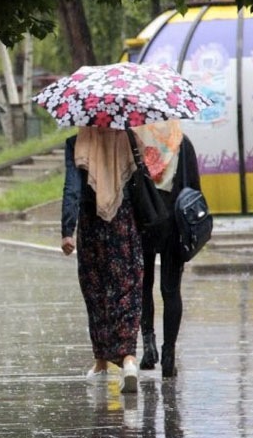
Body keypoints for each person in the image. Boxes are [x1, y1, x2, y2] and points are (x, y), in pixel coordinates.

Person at [61, 126, 142, 393]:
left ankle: (101, 363)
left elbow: (71, 188)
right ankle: (129, 359)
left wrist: (67, 230)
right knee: (127, 289)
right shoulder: (128, 139)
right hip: (124, 222)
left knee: (96, 292)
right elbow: (143, 180)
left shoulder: (77, 142)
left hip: (91, 224)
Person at [133, 120, 201, 378]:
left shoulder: (136, 142)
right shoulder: (182, 143)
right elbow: (193, 189)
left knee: (143, 286)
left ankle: (149, 347)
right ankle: (169, 354)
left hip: (143, 222)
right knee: (171, 290)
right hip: (174, 224)